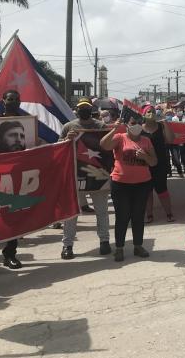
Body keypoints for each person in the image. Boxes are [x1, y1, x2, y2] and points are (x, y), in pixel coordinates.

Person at [0, 90, 30, 277]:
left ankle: (10, 254)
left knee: (13, 218)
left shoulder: (27, 121)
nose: (13, 102)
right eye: (9, 99)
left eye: (16, 100)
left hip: (18, 176)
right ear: (3, 101)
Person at [100, 111, 158, 262]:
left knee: (138, 216)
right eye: (133, 123)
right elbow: (104, 145)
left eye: (139, 123)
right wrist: (114, 129)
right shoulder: (120, 138)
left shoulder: (146, 141)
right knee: (122, 216)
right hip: (121, 184)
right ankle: (119, 248)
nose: (136, 126)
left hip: (142, 184)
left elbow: (154, 162)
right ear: (126, 125)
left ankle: (138, 246)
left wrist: (145, 156)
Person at [59, 97, 112, 260]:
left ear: (92, 110)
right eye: (81, 108)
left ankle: (104, 241)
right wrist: (67, 139)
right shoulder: (68, 127)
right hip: (75, 175)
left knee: (102, 212)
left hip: (99, 174)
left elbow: (109, 147)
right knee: (71, 214)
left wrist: (114, 130)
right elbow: (59, 147)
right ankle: (67, 245)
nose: (84, 110)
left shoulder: (101, 126)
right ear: (77, 110)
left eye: (87, 108)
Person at [141, 105, 176, 223]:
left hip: (160, 163)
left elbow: (171, 139)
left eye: (153, 112)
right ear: (144, 114)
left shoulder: (161, 126)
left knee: (162, 190)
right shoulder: (139, 129)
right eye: (148, 112)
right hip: (144, 164)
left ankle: (169, 213)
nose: (151, 113)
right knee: (147, 191)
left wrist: (165, 122)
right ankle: (149, 215)